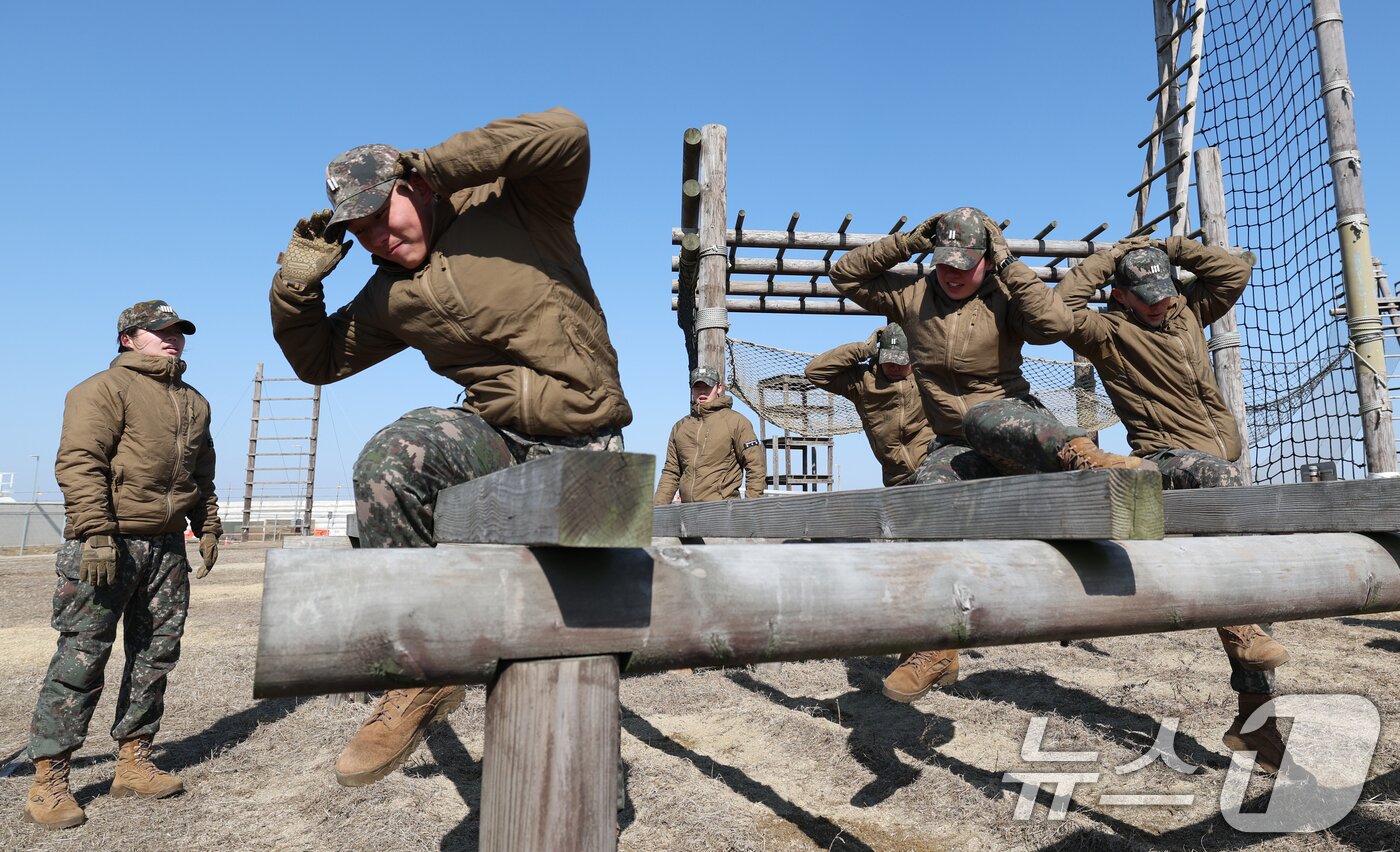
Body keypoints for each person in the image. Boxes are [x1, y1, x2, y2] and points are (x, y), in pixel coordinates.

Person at [269, 107, 633, 788]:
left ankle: (586, 787)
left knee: (573, 645)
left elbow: (567, 133)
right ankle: (421, 674)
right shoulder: (391, 298)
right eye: (359, 232)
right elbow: (318, 360)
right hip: (493, 438)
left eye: (384, 217)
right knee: (391, 458)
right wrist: (295, 286)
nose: (377, 240)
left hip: (586, 442)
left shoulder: (523, 206)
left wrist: (434, 162)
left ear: (417, 188)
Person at [829, 207, 1150, 703]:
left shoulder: (1004, 294)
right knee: (926, 493)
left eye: (966, 261)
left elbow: (1054, 322)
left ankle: (1086, 461)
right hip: (959, 444)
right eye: (944, 261)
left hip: (1017, 433)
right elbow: (843, 273)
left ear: (985, 257)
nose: (954, 272)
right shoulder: (911, 297)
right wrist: (910, 241)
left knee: (982, 417)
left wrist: (1007, 262)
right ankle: (936, 645)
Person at [1058, 235, 1291, 772]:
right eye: (1148, 294)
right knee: (1236, 569)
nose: (1162, 302)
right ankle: (1243, 641)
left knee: (1250, 578)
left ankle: (1257, 723)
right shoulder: (1110, 332)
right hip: (1164, 461)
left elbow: (1232, 273)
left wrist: (1173, 247)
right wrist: (1105, 259)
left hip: (1219, 470)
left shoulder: (1187, 312)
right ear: (1120, 296)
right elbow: (1058, 310)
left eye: (1167, 290)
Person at [24, 300, 221, 830]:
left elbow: (202, 471)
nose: (173, 339)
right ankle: (50, 778)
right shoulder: (101, 390)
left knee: (156, 655)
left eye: (178, 332)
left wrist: (208, 526)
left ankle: (133, 761)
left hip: (165, 548)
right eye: (161, 332)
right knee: (82, 657)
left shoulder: (194, 401)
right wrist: (95, 533)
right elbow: (79, 462)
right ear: (129, 338)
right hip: (106, 544)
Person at [805, 324, 931, 487]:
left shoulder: (928, 375)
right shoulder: (862, 382)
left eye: (900, 361)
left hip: (931, 466)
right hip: (897, 479)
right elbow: (814, 372)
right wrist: (863, 349)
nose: (894, 367)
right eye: (889, 360)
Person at [654, 367, 766, 504]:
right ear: (691, 389)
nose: (702, 391)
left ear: (719, 388)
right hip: (687, 513)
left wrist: (752, 507)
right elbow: (671, 472)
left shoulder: (736, 422)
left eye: (707, 386)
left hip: (724, 512)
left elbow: (755, 465)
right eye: (697, 386)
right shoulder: (680, 427)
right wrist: (656, 511)